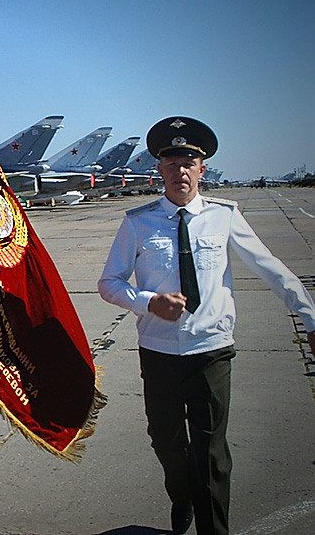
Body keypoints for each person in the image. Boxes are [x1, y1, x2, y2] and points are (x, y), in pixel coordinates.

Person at [98, 117, 315, 535]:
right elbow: (109, 283)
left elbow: (271, 268)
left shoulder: (224, 217)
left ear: (202, 170)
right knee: (166, 442)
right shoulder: (138, 222)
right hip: (159, 352)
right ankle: (182, 496)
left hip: (212, 350)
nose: (181, 170)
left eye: (189, 162)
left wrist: (309, 316)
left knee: (212, 451)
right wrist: (148, 302)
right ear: (158, 169)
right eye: (172, 161)